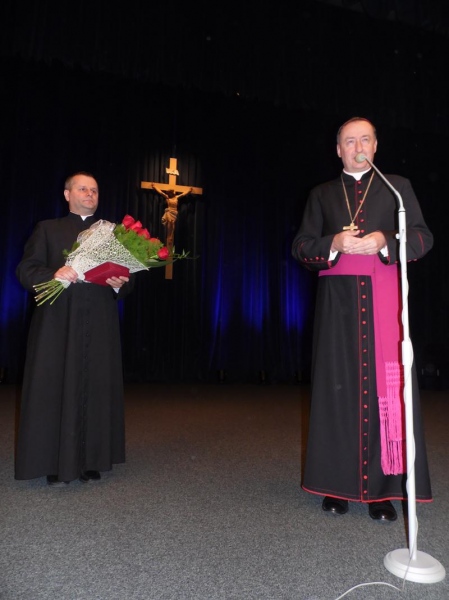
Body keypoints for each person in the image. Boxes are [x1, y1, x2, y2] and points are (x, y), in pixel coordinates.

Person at [292, 117, 433, 521]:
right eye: (349, 141)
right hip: (337, 305)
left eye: (364, 140)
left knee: (384, 391)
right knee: (337, 390)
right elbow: (301, 247)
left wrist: (385, 240)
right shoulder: (321, 194)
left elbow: (423, 237)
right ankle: (335, 485)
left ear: (375, 146)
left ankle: (382, 492)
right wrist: (334, 242)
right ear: (338, 150)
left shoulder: (396, 187)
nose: (358, 147)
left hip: (385, 300)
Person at [15, 172, 133, 486]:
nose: (90, 194)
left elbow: (127, 281)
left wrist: (121, 283)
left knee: (96, 387)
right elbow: (26, 270)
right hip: (58, 325)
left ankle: (92, 458)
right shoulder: (47, 228)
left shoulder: (111, 234)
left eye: (94, 190)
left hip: (100, 324)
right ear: (67, 194)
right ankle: (54, 461)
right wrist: (54, 274)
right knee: (55, 388)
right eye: (83, 189)